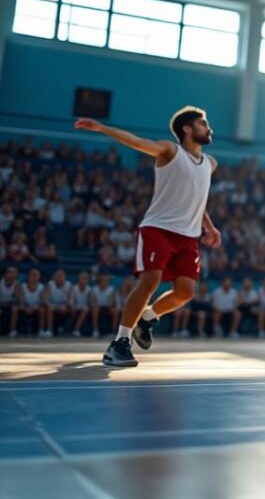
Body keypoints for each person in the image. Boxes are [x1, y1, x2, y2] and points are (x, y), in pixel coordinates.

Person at [76, 108, 222, 366]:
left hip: (188, 237)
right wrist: (103, 129)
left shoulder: (210, 163)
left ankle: (147, 318)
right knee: (150, 280)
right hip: (158, 229)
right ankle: (119, 342)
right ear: (187, 129)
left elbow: (196, 199)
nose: (209, 128)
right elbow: (138, 142)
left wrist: (210, 227)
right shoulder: (170, 151)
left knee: (185, 292)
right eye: (203, 123)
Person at [90, 273, 118, 338]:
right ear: (99, 282)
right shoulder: (94, 289)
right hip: (97, 307)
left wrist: (111, 305)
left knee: (115, 311)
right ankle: (95, 330)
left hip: (108, 307)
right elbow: (92, 301)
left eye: (105, 281)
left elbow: (114, 302)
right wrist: (94, 306)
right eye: (102, 281)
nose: (104, 282)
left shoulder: (111, 289)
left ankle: (113, 331)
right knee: (95, 310)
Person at [69, 271, 93, 337]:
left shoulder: (89, 289)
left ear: (87, 280)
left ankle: (76, 329)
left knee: (85, 309)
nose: (84, 280)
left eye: (85, 278)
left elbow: (89, 302)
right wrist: (72, 306)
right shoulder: (74, 288)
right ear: (79, 279)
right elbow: (71, 300)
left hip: (84, 308)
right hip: (74, 307)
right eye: (82, 278)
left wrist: (89, 305)